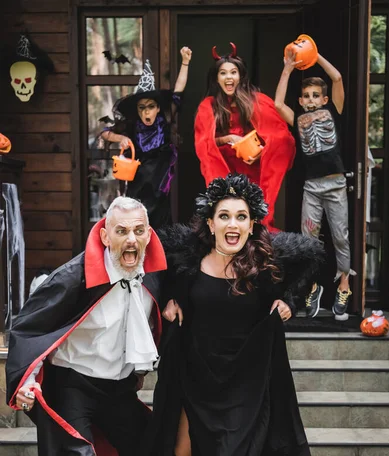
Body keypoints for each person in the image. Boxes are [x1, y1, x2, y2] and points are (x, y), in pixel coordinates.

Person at [151, 174, 324, 456]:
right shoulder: (186, 263)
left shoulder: (266, 263)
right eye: (224, 215)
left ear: (252, 224)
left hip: (247, 382)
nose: (233, 223)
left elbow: (316, 255)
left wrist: (291, 300)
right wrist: (169, 299)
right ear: (209, 222)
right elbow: (151, 267)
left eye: (241, 217)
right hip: (196, 378)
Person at [6, 197, 168, 456]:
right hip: (71, 384)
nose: (131, 240)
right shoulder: (72, 276)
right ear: (104, 233)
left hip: (116, 387)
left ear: (149, 234)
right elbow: (26, 327)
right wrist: (25, 380)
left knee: (155, 447)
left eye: (139, 231)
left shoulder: (155, 273)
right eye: (121, 231)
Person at [275, 50, 355, 320]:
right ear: (301, 99)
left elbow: (337, 77)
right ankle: (312, 286)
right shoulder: (296, 116)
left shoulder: (335, 109)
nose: (310, 100)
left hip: (335, 185)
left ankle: (344, 284)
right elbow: (277, 104)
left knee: (340, 236)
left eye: (315, 96)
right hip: (311, 187)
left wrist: (316, 54)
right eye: (306, 96)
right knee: (308, 240)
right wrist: (288, 69)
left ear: (325, 99)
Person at [194, 43, 295, 232]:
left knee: (255, 219)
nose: (229, 77)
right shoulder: (209, 106)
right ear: (217, 78)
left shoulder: (256, 100)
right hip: (224, 168)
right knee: (229, 215)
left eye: (233, 72)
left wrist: (263, 151)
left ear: (240, 76)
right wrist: (226, 139)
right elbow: (204, 143)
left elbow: (278, 135)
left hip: (252, 167)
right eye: (223, 73)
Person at [100, 47, 192, 229]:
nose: (146, 111)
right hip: (138, 187)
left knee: (161, 230)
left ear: (158, 108)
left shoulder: (164, 121)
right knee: (137, 225)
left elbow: (178, 91)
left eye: (150, 106)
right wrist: (120, 138)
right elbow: (104, 131)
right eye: (142, 107)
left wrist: (185, 63)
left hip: (160, 189)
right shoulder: (132, 125)